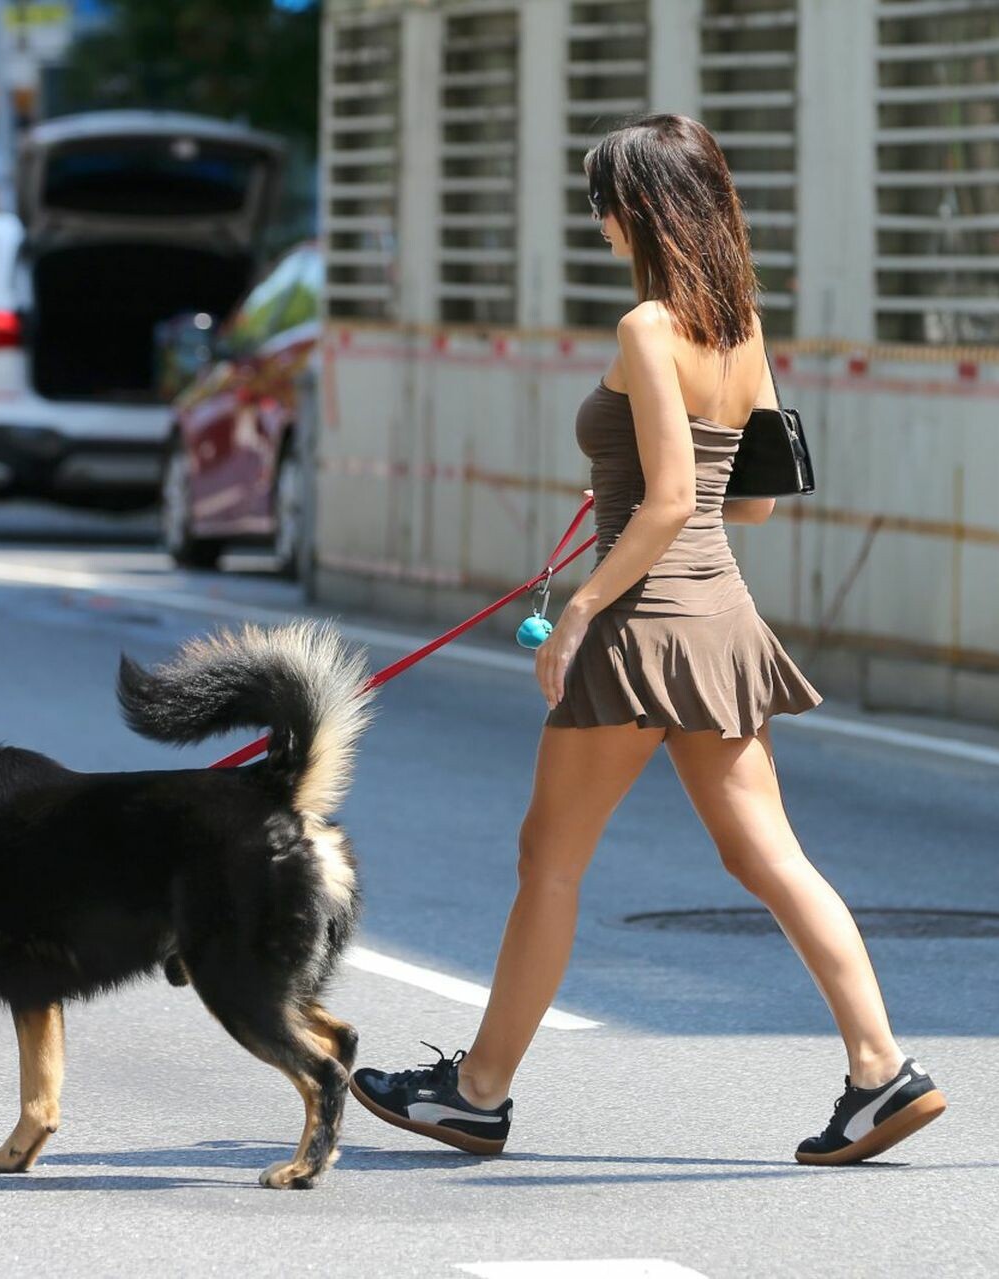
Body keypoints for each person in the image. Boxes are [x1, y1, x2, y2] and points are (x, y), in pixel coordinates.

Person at [349, 114, 946, 1168]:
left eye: (602, 205)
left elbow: (669, 499)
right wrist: (639, 488)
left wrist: (582, 606)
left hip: (641, 625)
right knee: (769, 854)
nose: (599, 225)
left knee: (549, 859)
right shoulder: (742, 328)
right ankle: (880, 1067)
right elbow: (747, 504)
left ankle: (476, 1093)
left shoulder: (647, 328)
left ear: (640, 209)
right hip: (721, 619)